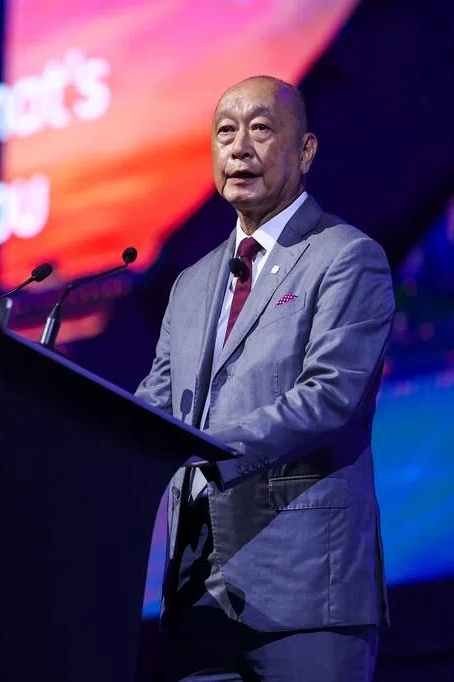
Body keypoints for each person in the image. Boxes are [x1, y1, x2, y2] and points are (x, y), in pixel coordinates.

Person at [134, 75, 394, 681]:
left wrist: (208, 452)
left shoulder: (345, 256)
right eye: (225, 132)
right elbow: (155, 406)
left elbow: (329, 396)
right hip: (196, 597)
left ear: (305, 151)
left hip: (307, 593)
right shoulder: (191, 284)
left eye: (260, 129)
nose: (240, 148)